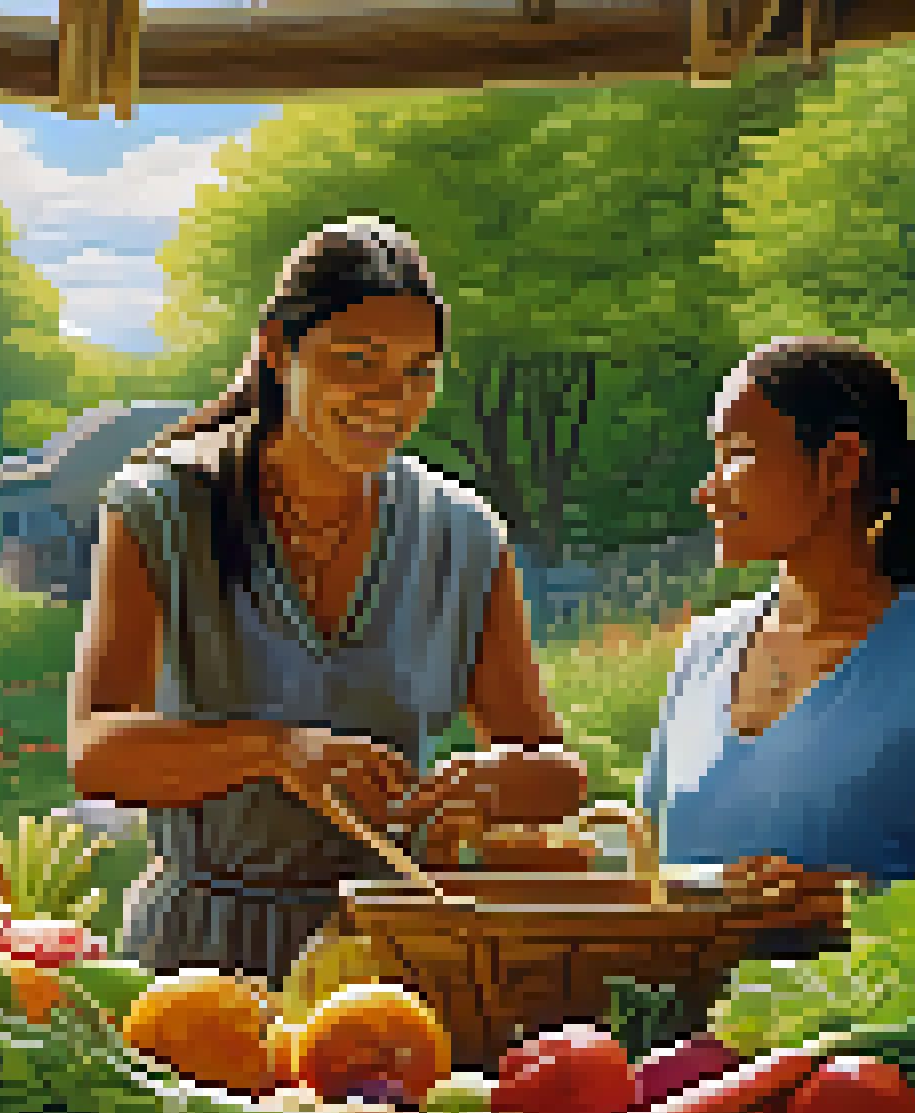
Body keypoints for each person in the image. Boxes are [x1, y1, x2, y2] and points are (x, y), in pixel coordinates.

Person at [69, 219, 588, 987]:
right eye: (359, 361)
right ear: (280, 349)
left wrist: (494, 782)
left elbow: (556, 774)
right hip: (196, 961)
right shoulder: (161, 507)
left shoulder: (466, 535)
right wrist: (278, 751)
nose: (394, 397)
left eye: (419, 371)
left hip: (393, 960)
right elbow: (98, 754)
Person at [640, 336, 915, 909]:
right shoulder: (703, 650)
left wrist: (856, 900)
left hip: (866, 1001)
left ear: (840, 464)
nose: (708, 489)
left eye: (738, 454)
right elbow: (646, 868)